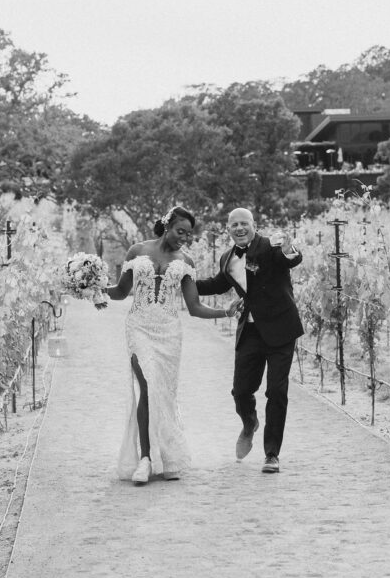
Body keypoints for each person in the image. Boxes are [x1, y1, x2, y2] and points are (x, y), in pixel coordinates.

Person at [103, 205, 241, 485]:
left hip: (169, 333)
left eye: (188, 235)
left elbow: (194, 307)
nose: (184, 238)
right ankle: (144, 459)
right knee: (148, 387)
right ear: (167, 226)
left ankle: (168, 455)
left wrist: (225, 313)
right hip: (139, 327)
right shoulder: (137, 251)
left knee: (163, 393)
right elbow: (120, 293)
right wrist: (93, 287)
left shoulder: (186, 261)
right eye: (180, 231)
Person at [196, 207, 303, 474]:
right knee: (241, 391)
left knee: (276, 392)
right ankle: (249, 423)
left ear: (254, 225)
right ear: (228, 229)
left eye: (245, 223)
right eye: (234, 225)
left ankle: (271, 454)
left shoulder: (269, 247)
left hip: (281, 329)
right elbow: (217, 284)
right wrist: (184, 281)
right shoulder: (227, 258)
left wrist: (291, 249)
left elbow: (289, 259)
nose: (240, 228)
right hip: (251, 331)